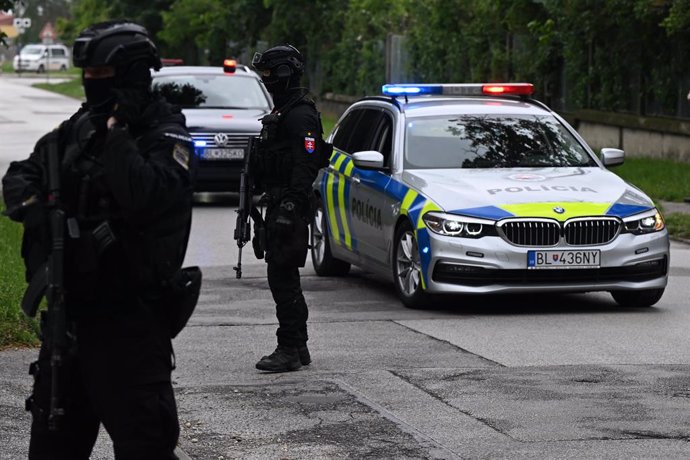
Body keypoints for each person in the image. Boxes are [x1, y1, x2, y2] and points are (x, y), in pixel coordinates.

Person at [2, 20, 196, 459]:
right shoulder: (78, 129)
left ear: (131, 76)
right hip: (68, 325)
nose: (92, 87)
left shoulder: (164, 134)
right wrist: (36, 207)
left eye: (102, 78)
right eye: (87, 78)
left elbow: (145, 196)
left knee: (145, 447)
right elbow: (22, 174)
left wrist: (117, 134)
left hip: (130, 329)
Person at [251, 44, 328, 372]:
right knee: (281, 274)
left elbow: (307, 161)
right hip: (280, 202)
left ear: (283, 73)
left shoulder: (300, 115)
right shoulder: (285, 111)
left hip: (290, 208)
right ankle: (299, 345)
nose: (265, 80)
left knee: (282, 277)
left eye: (268, 73)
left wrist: (291, 203)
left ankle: (289, 347)